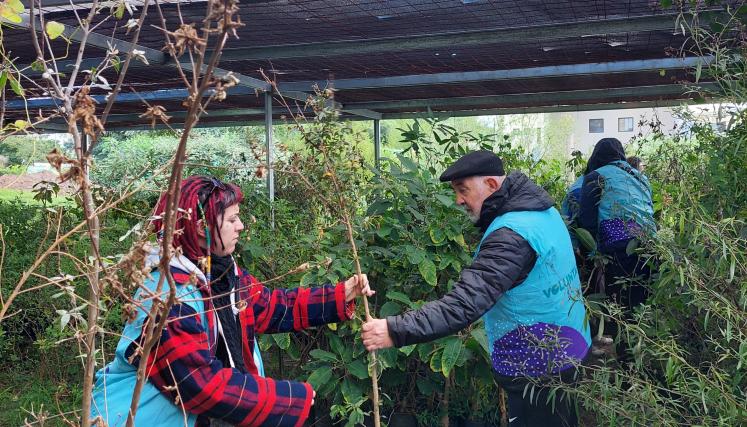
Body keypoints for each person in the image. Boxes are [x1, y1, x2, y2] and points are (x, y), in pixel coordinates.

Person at [91, 176, 373, 427]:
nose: (241, 225)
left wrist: (341, 294)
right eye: (232, 219)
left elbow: (271, 307)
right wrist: (288, 400)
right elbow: (200, 385)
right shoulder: (168, 296)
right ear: (201, 227)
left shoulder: (221, 273)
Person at [361, 150, 590, 427]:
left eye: (463, 190)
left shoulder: (512, 235)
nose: (458, 200)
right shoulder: (541, 211)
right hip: (568, 347)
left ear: (491, 185)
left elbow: (465, 303)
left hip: (538, 367)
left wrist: (394, 330)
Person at [578, 139, 655, 339]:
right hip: (651, 243)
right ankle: (646, 346)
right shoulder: (639, 176)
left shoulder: (596, 176)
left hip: (619, 245)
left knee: (623, 302)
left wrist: (592, 254)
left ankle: (625, 355)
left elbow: (587, 220)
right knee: (642, 301)